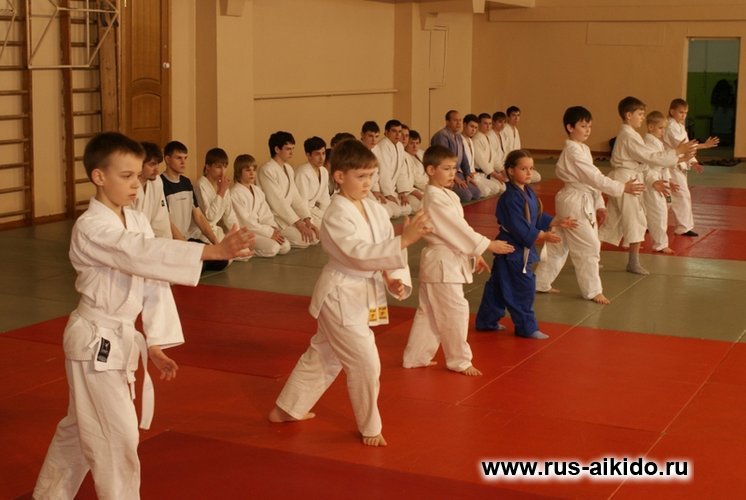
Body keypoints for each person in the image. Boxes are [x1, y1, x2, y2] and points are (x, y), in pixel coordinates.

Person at [33, 132, 253, 500]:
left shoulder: (135, 220)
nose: (137, 183)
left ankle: (48, 495)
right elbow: (135, 253)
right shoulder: (91, 227)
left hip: (116, 339)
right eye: (126, 176)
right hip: (95, 341)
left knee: (81, 428)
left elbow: (153, 277)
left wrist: (155, 342)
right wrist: (209, 252)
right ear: (98, 176)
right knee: (116, 437)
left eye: (138, 175)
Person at [268, 139, 431, 447]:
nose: (368, 182)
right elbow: (358, 253)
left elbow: (381, 245)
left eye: (371, 175)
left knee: (324, 354)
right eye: (361, 176)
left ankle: (286, 409)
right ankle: (370, 427)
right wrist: (404, 241)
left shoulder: (374, 208)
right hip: (340, 295)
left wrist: (391, 276)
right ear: (340, 176)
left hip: (364, 290)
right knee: (365, 362)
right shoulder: (335, 214)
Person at [402, 145, 514, 376]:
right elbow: (456, 230)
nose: (452, 173)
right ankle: (459, 361)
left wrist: (475, 253)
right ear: (430, 170)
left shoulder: (448, 195)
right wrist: (487, 244)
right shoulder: (434, 199)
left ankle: (416, 357)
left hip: (446, 261)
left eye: (454, 168)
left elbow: (459, 229)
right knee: (455, 312)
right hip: (442, 263)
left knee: (430, 313)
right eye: (446, 168)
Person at [534, 106, 644, 304]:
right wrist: (621, 187)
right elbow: (593, 177)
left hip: (579, 198)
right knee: (589, 245)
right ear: (570, 127)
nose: (587, 130)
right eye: (583, 126)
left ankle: (540, 282)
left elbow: (591, 180)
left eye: (589, 126)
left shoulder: (582, 148)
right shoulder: (573, 151)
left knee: (559, 243)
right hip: (574, 200)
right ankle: (593, 291)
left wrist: (600, 204)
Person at [475, 150, 576, 339]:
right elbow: (518, 225)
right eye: (524, 169)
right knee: (523, 287)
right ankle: (527, 328)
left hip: (514, 248)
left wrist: (556, 221)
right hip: (513, 249)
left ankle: (486, 321)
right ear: (511, 171)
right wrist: (543, 235)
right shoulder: (510, 197)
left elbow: (535, 215)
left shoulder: (526, 191)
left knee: (498, 286)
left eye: (531, 168)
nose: (529, 172)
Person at [598, 97, 696, 275]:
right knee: (637, 219)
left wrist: (654, 180)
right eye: (640, 114)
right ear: (629, 115)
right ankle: (632, 263)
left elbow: (645, 163)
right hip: (627, 181)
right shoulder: (628, 136)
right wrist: (676, 152)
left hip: (627, 178)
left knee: (612, 222)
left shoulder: (632, 135)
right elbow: (650, 158)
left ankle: (590, 257)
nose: (642, 117)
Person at [161, 140, 229, 271]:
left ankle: (194, 263)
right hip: (173, 242)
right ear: (167, 159)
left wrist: (217, 245)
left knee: (221, 260)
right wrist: (185, 247)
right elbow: (168, 222)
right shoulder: (161, 183)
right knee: (196, 265)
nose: (183, 162)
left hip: (188, 239)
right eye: (178, 158)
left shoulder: (186, 183)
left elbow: (199, 217)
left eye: (185, 158)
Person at [663, 98, 719, 236]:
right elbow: (683, 147)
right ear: (672, 111)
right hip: (671, 166)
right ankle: (683, 227)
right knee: (680, 195)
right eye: (681, 112)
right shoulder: (670, 127)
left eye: (686, 113)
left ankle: (648, 223)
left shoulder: (680, 126)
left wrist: (693, 162)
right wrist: (704, 146)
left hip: (678, 164)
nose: (684, 115)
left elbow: (687, 145)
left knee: (668, 197)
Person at [258, 131, 320, 248]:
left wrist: (307, 220)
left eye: (292, 149)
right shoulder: (267, 170)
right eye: (288, 149)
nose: (291, 152)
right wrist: (298, 223)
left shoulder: (288, 168)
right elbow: (277, 201)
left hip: (287, 217)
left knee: (314, 237)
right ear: (277, 149)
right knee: (305, 241)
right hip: (274, 217)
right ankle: (275, 235)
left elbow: (296, 198)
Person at [231, 154, 291, 258]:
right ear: (238, 172)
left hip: (261, 229)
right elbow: (246, 223)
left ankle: (257, 245)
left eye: (254, 170)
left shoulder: (257, 190)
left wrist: (273, 228)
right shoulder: (235, 193)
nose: (252, 173)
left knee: (285, 246)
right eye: (247, 170)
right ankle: (247, 250)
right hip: (246, 232)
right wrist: (269, 233)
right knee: (273, 248)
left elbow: (266, 214)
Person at [642, 111, 678, 254]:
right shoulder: (647, 144)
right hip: (652, 181)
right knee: (658, 212)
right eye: (660, 128)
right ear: (650, 127)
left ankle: (631, 239)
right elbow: (646, 167)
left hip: (659, 179)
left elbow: (664, 164)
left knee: (654, 212)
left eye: (664, 128)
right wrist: (654, 181)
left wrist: (668, 181)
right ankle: (660, 244)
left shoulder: (657, 142)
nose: (663, 131)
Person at [431, 110, 481, 202]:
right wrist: (455, 178)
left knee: (477, 193)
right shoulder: (442, 135)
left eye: (460, 120)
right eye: (455, 120)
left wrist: (467, 174)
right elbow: (443, 160)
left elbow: (464, 158)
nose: (458, 123)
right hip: (445, 173)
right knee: (466, 196)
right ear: (447, 122)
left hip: (457, 173)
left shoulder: (458, 136)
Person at [195, 147, 239, 243]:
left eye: (225, 167)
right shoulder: (200, 185)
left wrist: (238, 233)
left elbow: (229, 216)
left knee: (244, 249)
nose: (222, 171)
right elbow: (210, 217)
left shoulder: (223, 184)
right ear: (207, 167)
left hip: (217, 231)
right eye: (218, 167)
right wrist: (221, 192)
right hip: (203, 233)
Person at [133, 141, 172, 238]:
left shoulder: (157, 182)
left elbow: (161, 220)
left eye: (157, 164)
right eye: (152, 164)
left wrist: (165, 243)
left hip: (151, 240)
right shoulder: (129, 186)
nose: (157, 169)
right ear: (139, 164)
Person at [372, 119, 410, 217]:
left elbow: (402, 171)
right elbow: (384, 172)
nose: (398, 135)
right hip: (381, 190)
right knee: (395, 212)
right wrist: (388, 194)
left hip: (392, 190)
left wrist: (402, 192)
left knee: (407, 209)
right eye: (394, 131)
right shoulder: (383, 145)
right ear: (386, 132)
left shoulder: (400, 146)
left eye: (399, 131)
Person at [295, 136, 332, 227]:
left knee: (335, 223)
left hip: (314, 210)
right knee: (324, 229)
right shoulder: (302, 172)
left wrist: (329, 215)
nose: (321, 158)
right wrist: (308, 221)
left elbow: (325, 200)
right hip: (302, 213)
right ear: (308, 155)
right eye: (317, 154)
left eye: (323, 153)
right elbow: (302, 202)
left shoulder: (323, 171)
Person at [501, 105, 542, 182]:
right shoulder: (504, 130)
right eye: (514, 115)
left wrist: (527, 166)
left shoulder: (516, 130)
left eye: (518, 115)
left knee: (537, 176)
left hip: (517, 163)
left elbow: (518, 151)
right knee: (525, 178)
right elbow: (503, 151)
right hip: (507, 163)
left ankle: (517, 178)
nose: (516, 118)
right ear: (508, 117)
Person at [462, 113, 498, 197]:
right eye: (471, 126)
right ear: (464, 125)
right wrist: (467, 173)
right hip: (466, 174)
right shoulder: (462, 139)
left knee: (496, 188)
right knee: (485, 191)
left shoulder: (470, 141)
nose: (473, 130)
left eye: (475, 127)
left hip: (475, 174)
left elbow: (494, 158)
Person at [472, 113, 506, 195]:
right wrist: (496, 175)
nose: (488, 126)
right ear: (479, 124)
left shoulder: (486, 137)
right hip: (479, 174)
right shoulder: (476, 139)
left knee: (503, 188)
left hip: (488, 174)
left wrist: (502, 170)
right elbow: (482, 162)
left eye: (490, 124)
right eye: (485, 123)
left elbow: (494, 157)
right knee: (494, 189)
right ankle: (475, 188)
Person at [395, 124, 424, 212]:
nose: (404, 138)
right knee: (420, 206)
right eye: (402, 135)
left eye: (406, 136)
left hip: (410, 189)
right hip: (400, 191)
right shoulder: (399, 153)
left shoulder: (408, 155)